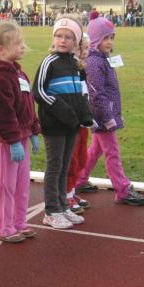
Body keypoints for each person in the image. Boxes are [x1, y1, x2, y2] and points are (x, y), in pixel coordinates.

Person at [0, 19, 41, 242]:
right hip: (7, 141)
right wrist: (12, 141)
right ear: (1, 49)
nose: (23, 47)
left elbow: (28, 104)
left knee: (22, 184)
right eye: (17, 43)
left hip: (22, 136)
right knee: (7, 185)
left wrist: (33, 130)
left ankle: (19, 221)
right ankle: (2, 227)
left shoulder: (19, 73)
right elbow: (1, 113)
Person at [75, 15, 144, 206]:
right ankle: (123, 190)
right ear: (95, 39)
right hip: (102, 116)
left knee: (96, 149)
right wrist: (108, 118)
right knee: (112, 152)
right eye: (105, 38)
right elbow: (97, 95)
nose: (109, 42)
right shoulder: (94, 63)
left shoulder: (103, 59)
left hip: (106, 113)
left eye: (112, 38)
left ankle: (80, 179)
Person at [34, 15, 94, 229]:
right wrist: (63, 111)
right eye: (59, 35)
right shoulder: (49, 62)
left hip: (72, 126)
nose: (63, 40)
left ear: (76, 41)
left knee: (65, 165)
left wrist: (84, 115)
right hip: (54, 125)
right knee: (55, 165)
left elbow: (82, 94)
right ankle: (51, 211)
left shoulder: (76, 65)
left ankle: (62, 205)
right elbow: (38, 91)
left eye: (69, 37)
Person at [65, 31, 92, 213]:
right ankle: (66, 194)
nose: (86, 52)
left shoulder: (81, 69)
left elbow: (84, 95)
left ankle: (72, 191)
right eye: (83, 48)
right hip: (72, 123)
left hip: (83, 122)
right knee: (72, 160)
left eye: (87, 49)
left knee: (81, 158)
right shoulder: (68, 68)